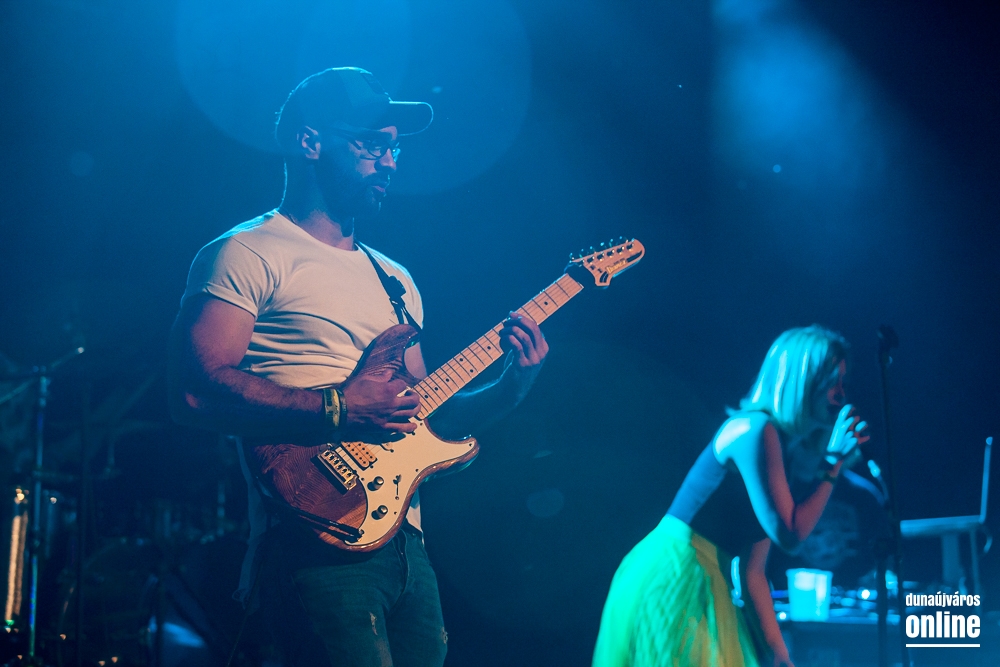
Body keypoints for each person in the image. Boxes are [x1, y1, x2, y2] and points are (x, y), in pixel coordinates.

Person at [167, 67, 548, 667]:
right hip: (314, 534)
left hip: (405, 540)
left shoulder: (396, 280)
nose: (390, 162)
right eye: (371, 145)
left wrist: (510, 386)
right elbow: (194, 392)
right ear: (310, 142)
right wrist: (339, 408)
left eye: (394, 148)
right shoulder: (247, 251)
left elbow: (423, 414)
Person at [592, 326, 869, 667]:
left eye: (843, 382)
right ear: (802, 379)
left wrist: (777, 652)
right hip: (676, 572)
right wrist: (833, 462)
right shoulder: (753, 430)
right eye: (832, 381)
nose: (841, 395)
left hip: (708, 577)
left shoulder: (779, 450)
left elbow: (753, 571)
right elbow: (790, 534)